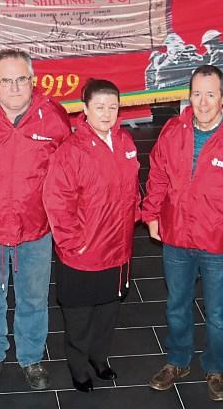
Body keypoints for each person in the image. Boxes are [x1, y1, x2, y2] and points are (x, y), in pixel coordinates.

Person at [141, 64, 223, 402]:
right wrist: (151, 214)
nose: (203, 101)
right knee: (176, 306)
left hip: (218, 244)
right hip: (177, 239)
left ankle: (214, 367)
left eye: (211, 94)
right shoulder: (173, 130)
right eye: (197, 93)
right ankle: (177, 361)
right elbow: (158, 176)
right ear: (189, 96)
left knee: (217, 313)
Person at [0, 49, 71, 391]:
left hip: (35, 230)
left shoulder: (54, 118)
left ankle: (31, 357)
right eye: (6, 80)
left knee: (34, 298)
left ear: (32, 80)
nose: (14, 87)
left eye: (21, 79)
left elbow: (70, 174)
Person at [43, 79, 140, 392]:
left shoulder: (125, 142)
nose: (107, 113)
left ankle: (100, 358)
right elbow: (56, 202)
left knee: (108, 311)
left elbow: (132, 189)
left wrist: (134, 216)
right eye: (99, 107)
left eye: (113, 107)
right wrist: (74, 243)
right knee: (79, 317)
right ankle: (78, 366)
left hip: (117, 250)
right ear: (84, 110)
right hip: (83, 254)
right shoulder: (71, 152)